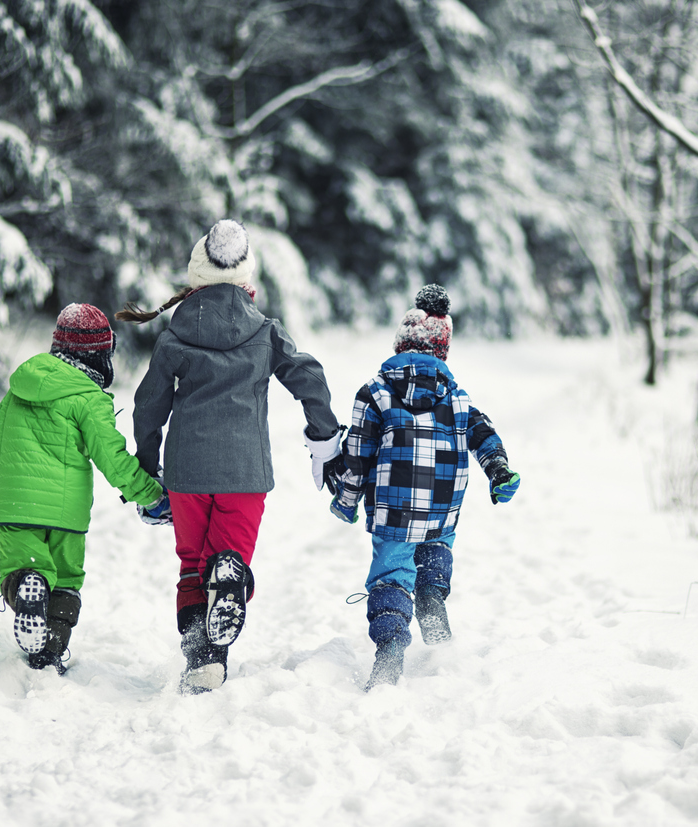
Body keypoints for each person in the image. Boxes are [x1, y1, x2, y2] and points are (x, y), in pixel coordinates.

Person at [118, 219, 342, 695]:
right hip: (245, 472)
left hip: (186, 473)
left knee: (191, 565)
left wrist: (145, 465)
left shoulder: (175, 337)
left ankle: (203, 658)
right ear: (246, 280)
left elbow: (148, 406)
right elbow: (310, 378)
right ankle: (231, 577)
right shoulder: (265, 333)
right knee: (228, 558)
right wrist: (323, 438)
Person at [329, 284, 521, 690]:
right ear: (442, 352)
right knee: (435, 547)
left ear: (400, 345)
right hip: (442, 507)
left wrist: (347, 501)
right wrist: (499, 471)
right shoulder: (456, 395)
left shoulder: (375, 391)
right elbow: (484, 434)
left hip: (394, 511)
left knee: (392, 574)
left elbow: (358, 455)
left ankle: (391, 650)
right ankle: (433, 608)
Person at [0, 303, 171, 674]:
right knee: (66, 582)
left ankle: (27, 584)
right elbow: (113, 458)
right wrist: (151, 494)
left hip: (14, 505)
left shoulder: (18, 388)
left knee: (22, 568)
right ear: (99, 354)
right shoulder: (88, 398)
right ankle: (48, 654)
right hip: (66, 512)